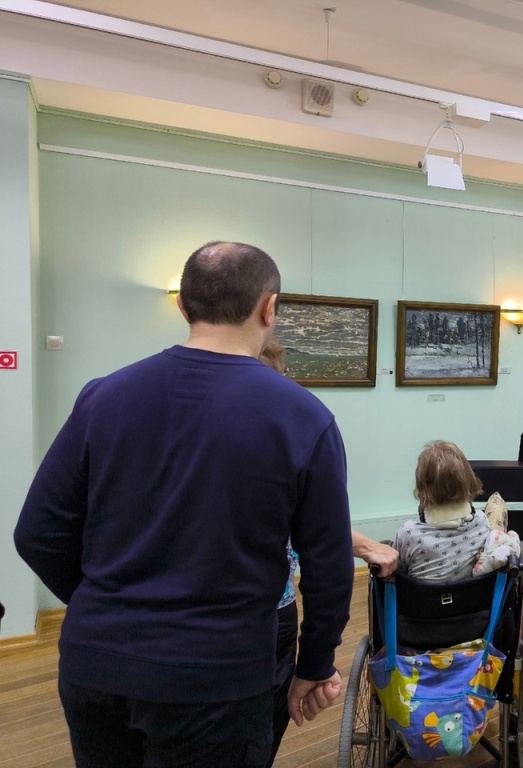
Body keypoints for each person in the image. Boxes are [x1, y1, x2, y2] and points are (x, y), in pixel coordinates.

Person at [14, 241, 354, 768]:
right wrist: (314, 663)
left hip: (96, 665)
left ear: (182, 306)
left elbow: (38, 531)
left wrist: (102, 604)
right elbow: (328, 563)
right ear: (269, 308)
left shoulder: (102, 396)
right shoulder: (303, 417)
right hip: (216, 679)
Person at [259, 338, 398, 766]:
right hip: (256, 625)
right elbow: (319, 542)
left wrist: (364, 545)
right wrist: (316, 664)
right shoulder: (300, 420)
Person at [395, 440, 490, 581]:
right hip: (476, 595)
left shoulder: (409, 533)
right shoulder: (482, 521)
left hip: (422, 595)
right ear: (468, 479)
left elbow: (397, 572)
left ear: (422, 488)